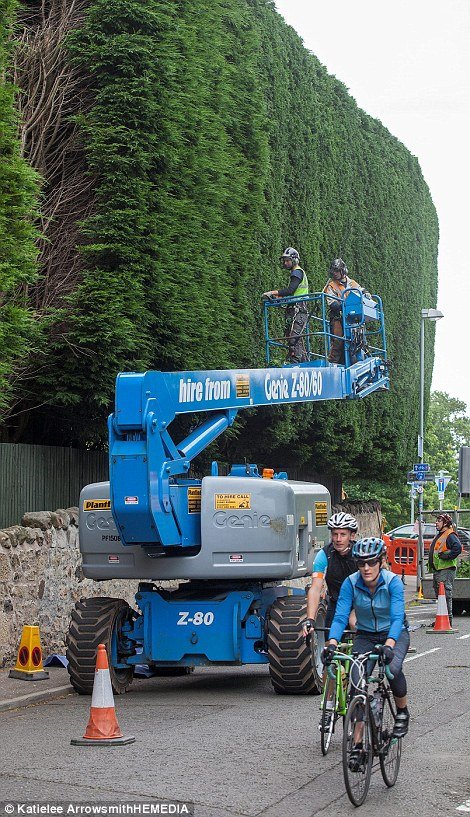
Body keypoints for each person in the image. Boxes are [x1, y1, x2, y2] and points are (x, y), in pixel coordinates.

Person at [322, 537, 410, 765]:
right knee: (356, 685)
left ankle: (402, 712)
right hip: (366, 636)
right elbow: (341, 615)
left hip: (395, 633)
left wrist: (390, 645)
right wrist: (331, 643)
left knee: (392, 668)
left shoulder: (392, 583)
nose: (366, 568)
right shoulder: (351, 583)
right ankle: (359, 745)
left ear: (381, 561)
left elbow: (398, 617)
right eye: (361, 564)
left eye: (371, 563)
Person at [302, 512, 359, 640]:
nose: (338, 539)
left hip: (360, 602)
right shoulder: (324, 555)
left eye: (343, 535)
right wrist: (310, 619)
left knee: (354, 623)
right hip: (337, 602)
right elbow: (315, 588)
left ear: (352, 535)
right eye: (335, 534)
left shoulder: (359, 553)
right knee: (329, 642)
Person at [262, 247, 309, 363]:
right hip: (295, 308)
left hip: (299, 309)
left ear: (294, 260)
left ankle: (296, 363)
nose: (285, 263)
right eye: (284, 261)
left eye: (287, 260)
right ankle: (303, 361)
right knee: (294, 337)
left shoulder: (297, 272)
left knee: (294, 338)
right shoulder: (297, 272)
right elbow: (292, 292)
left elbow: (291, 290)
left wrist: (273, 293)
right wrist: (280, 298)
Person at [322, 258, 364, 364]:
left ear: (343, 270)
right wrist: (346, 305)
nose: (335, 273)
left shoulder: (352, 283)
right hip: (338, 317)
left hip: (352, 318)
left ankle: (357, 361)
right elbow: (332, 304)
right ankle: (333, 363)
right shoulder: (331, 285)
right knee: (338, 340)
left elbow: (362, 293)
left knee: (358, 341)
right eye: (333, 271)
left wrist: (366, 295)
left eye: (337, 271)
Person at [427, 512, 462, 625]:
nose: (436, 523)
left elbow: (457, 548)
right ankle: (442, 619)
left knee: (446, 593)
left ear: (445, 523)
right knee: (440, 595)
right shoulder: (441, 534)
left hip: (446, 569)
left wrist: (447, 556)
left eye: (439, 521)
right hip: (439, 569)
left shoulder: (450, 535)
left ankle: (448, 620)